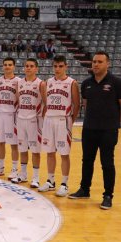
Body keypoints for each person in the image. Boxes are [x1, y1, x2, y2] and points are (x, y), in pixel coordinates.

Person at [68, 51, 121, 210]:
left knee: (107, 163)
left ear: (107, 64)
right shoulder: (86, 83)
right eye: (94, 62)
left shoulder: (116, 82)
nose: (96, 64)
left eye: (99, 62)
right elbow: (85, 104)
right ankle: (84, 189)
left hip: (108, 129)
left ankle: (108, 195)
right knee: (87, 160)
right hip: (89, 128)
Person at [39, 55, 80, 197]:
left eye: (60, 66)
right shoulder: (47, 82)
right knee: (49, 152)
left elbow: (76, 104)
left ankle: (64, 183)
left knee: (64, 153)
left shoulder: (71, 83)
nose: (57, 69)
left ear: (66, 67)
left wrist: (70, 120)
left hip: (63, 120)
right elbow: (46, 102)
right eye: (55, 66)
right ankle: (50, 181)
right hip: (49, 119)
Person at [11, 58, 45, 188]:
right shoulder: (19, 83)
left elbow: (45, 103)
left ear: (36, 69)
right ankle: (23, 174)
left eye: (31, 66)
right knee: (22, 148)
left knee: (35, 150)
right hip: (21, 118)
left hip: (34, 120)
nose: (28, 68)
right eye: (26, 66)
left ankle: (35, 177)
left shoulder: (41, 84)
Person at [0, 57, 20, 179]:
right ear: (3, 66)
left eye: (9, 64)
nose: (7, 66)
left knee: (13, 144)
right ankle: (1, 167)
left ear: (14, 66)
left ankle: (14, 169)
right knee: (0, 142)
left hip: (11, 115)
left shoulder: (18, 81)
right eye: (5, 64)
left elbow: (19, 98)